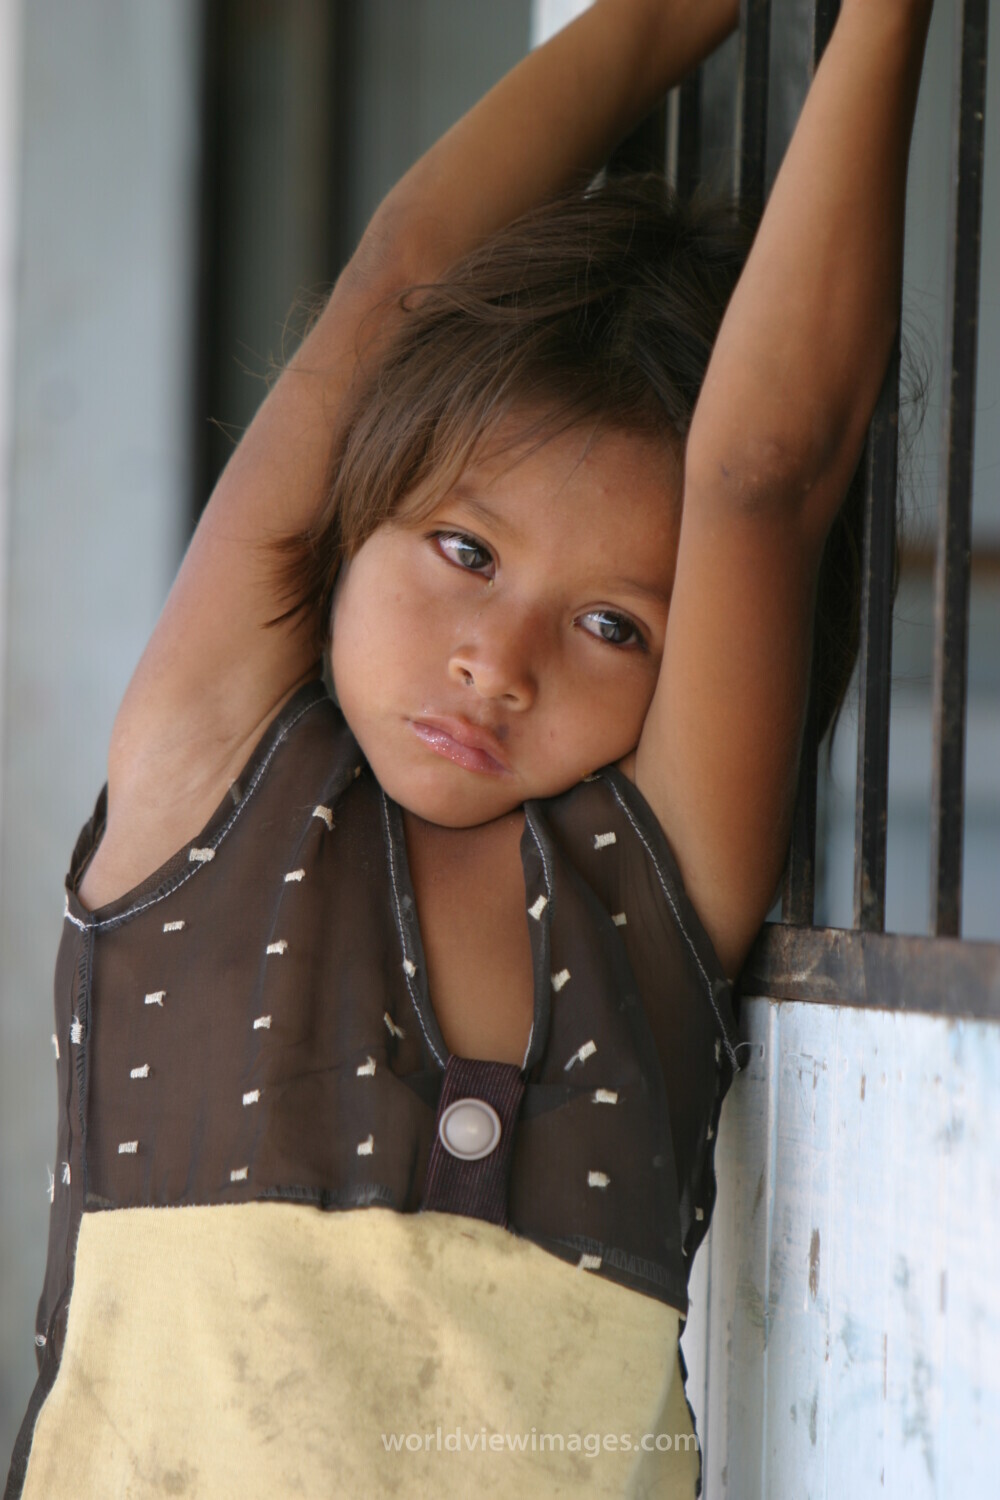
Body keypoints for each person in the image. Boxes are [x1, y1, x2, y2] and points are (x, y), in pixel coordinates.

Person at [4, 0, 932, 1496]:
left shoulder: (653, 883)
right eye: (462, 548)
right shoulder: (206, 776)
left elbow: (770, 468)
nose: (495, 664)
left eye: (614, 628)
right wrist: (647, 28)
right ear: (356, 510)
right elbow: (403, 279)